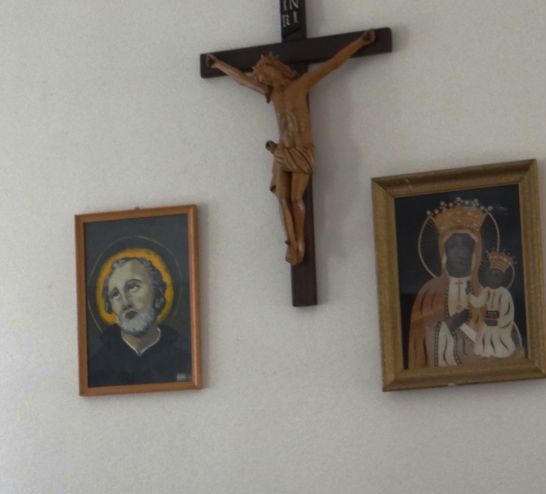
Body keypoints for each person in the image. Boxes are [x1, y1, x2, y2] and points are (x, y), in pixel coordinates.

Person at [206, 30, 376, 265]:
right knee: (282, 198)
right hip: (282, 152)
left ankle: (300, 242)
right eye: (263, 78)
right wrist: (218, 65)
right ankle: (291, 242)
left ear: (276, 69)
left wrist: (359, 42)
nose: (265, 80)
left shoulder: (302, 84)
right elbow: (243, 80)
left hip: (302, 150)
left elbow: (334, 63)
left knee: (296, 198)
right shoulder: (272, 93)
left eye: (266, 75)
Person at [407, 201, 524, 369]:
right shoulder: (429, 293)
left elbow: (506, 334)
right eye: (453, 245)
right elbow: (419, 343)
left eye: (466, 245)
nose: (460, 252)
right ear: (444, 251)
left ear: (475, 251)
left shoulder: (488, 292)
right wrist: (447, 327)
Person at [87, 255, 192, 387]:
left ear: (157, 294)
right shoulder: (97, 365)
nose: (125, 303)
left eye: (133, 287)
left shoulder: (185, 360)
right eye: (115, 294)